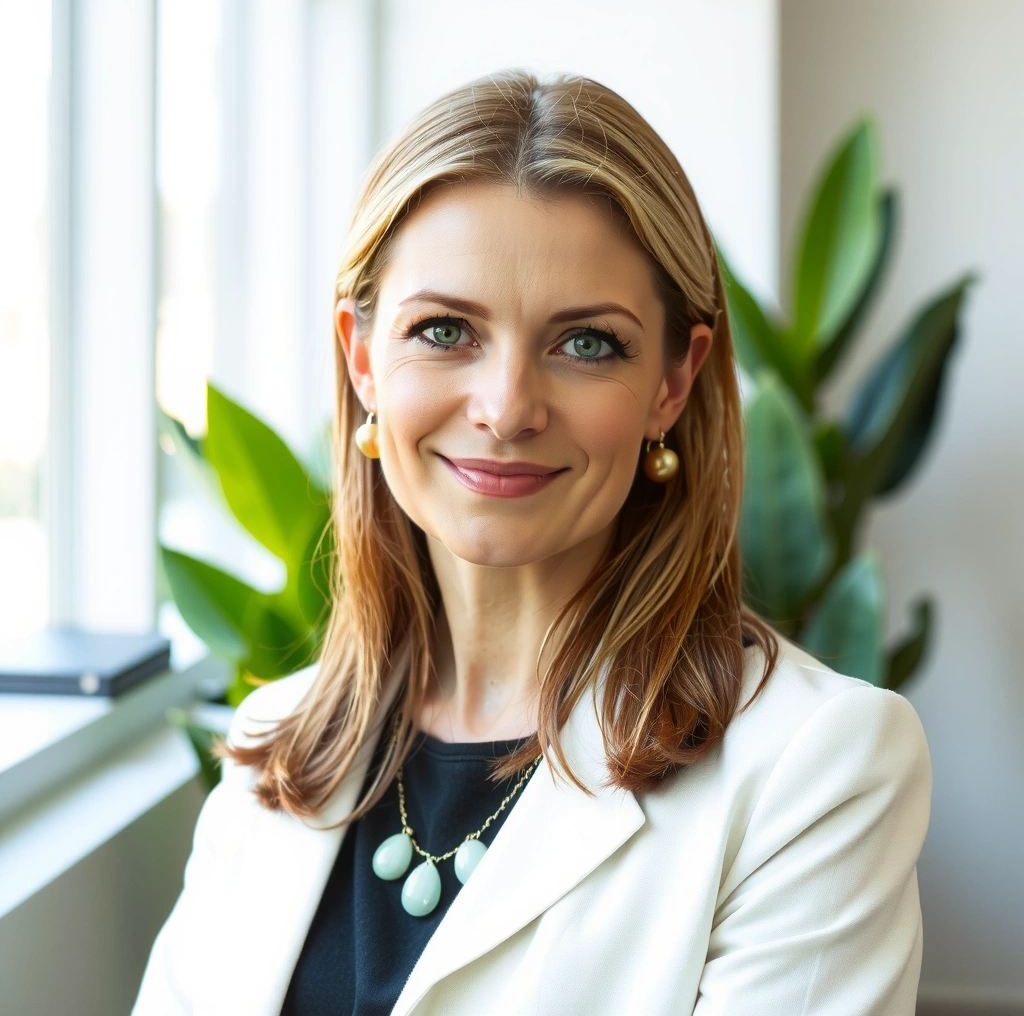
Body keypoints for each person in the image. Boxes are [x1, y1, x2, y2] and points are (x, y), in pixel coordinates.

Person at [132, 70, 932, 1016]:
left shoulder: (817, 768)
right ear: (362, 357)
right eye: (443, 330)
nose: (507, 409)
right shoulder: (274, 746)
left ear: (675, 381)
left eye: (586, 343)